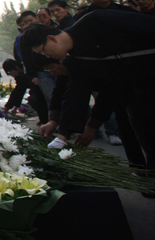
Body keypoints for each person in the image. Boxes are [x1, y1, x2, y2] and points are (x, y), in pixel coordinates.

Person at [22, 11, 155, 170]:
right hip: (134, 93)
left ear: (51, 39)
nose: (47, 56)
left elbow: (146, 26)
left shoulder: (96, 20)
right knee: (147, 134)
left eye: (44, 51)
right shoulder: (76, 60)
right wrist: (63, 135)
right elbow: (76, 95)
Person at [2, 58, 48, 124]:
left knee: (35, 98)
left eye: (10, 72)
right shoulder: (19, 76)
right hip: (36, 91)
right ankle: (44, 119)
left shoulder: (29, 69)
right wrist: (11, 107)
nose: (12, 75)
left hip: (44, 87)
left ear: (16, 67)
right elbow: (18, 91)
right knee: (32, 99)